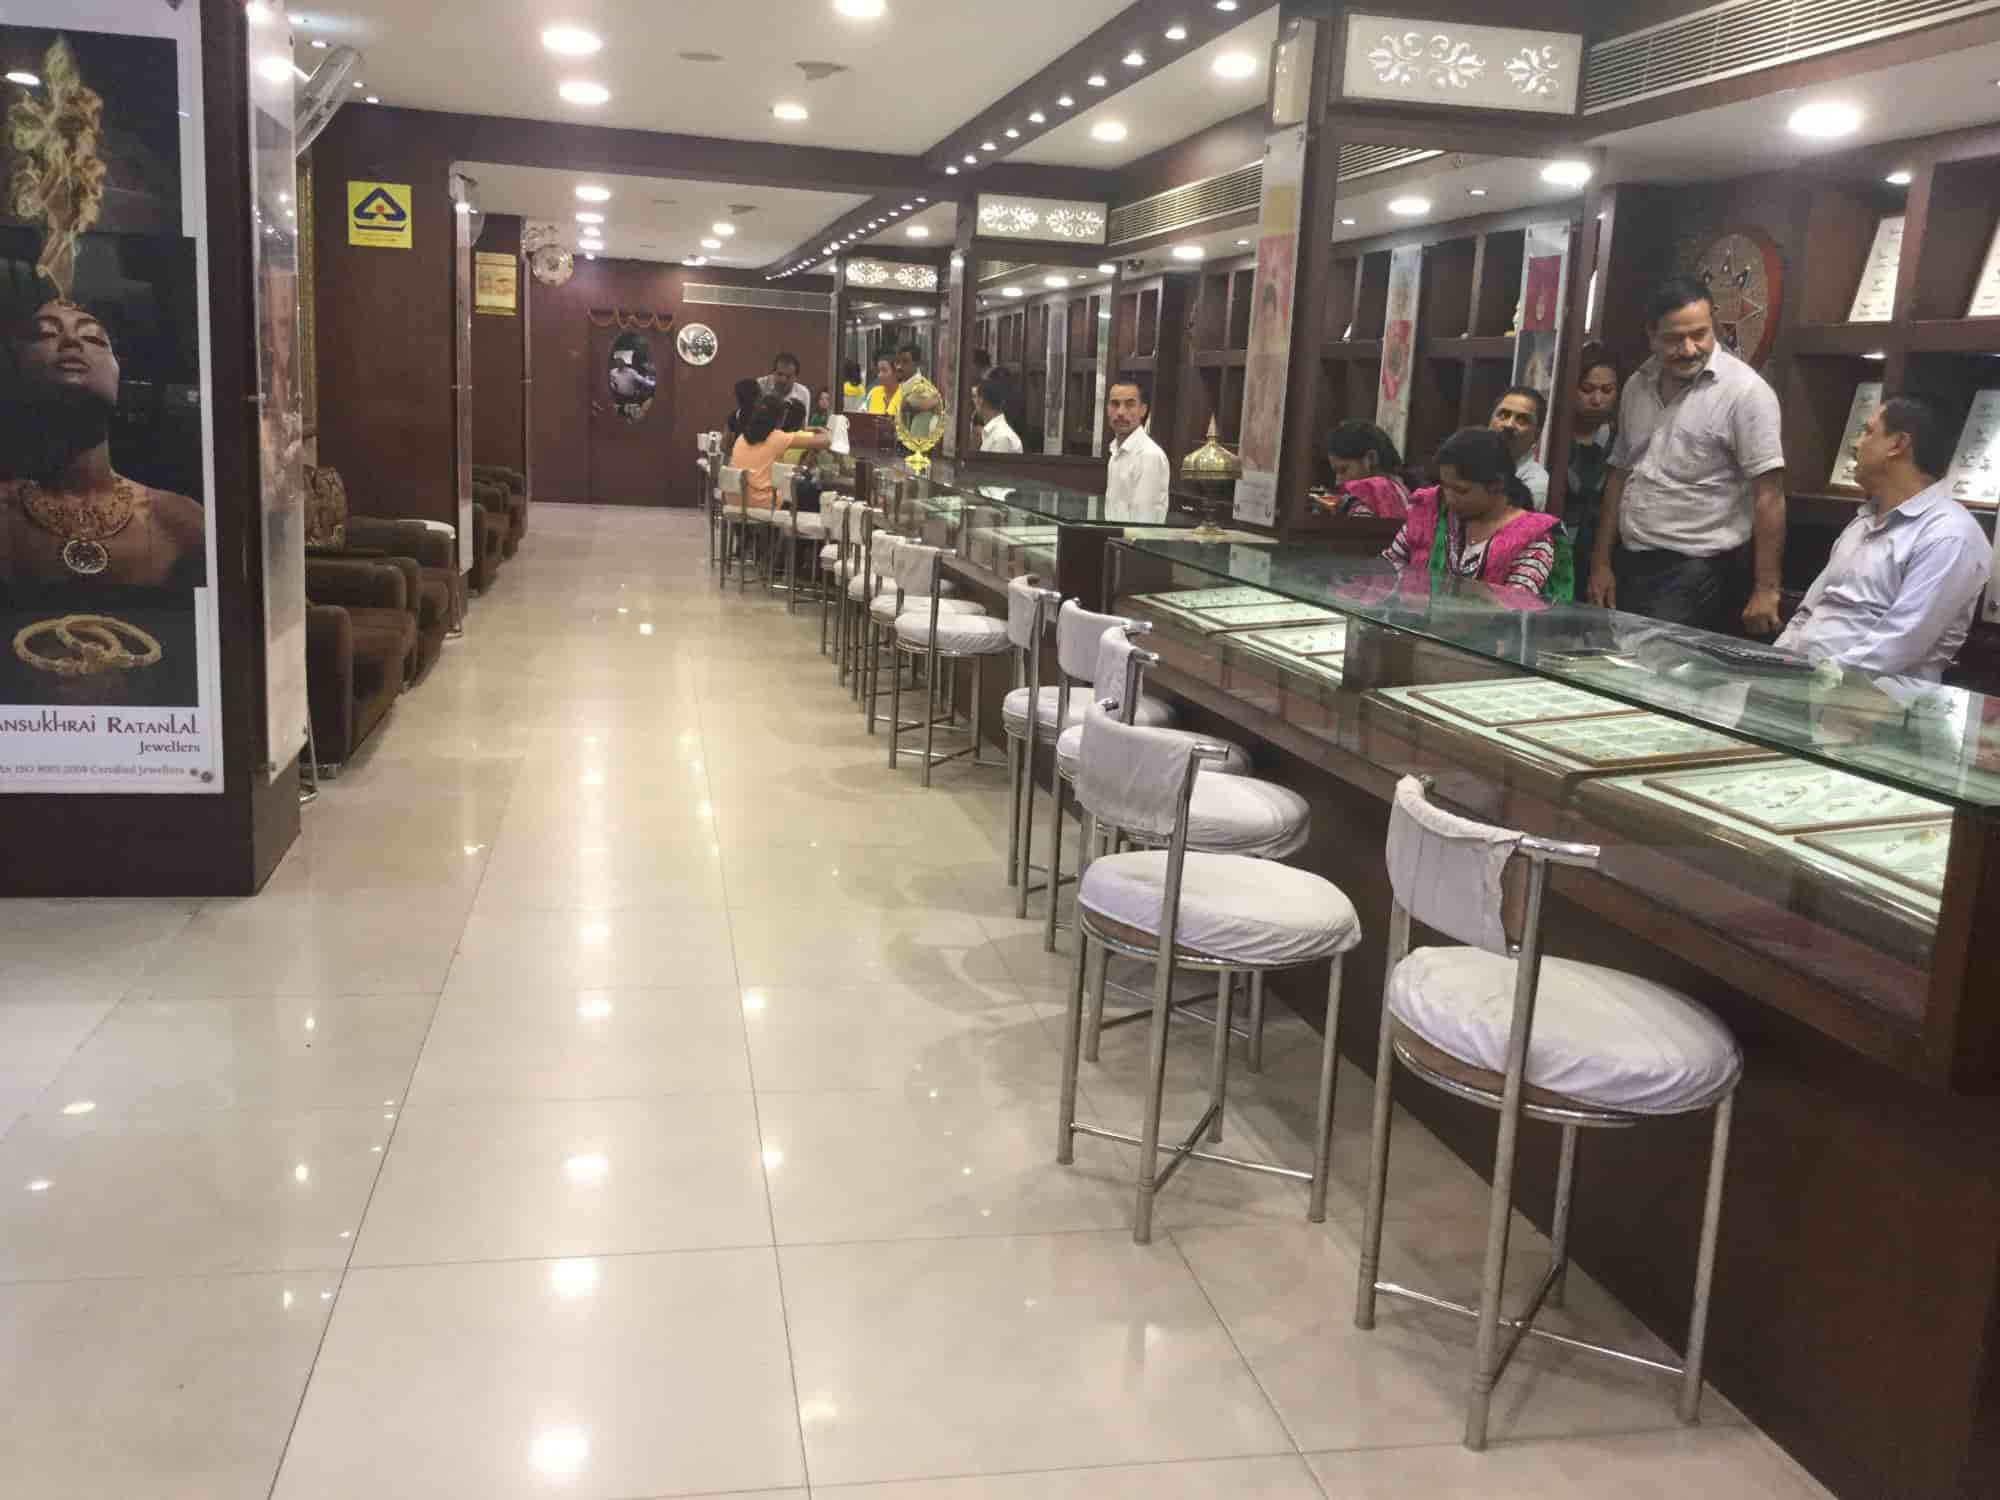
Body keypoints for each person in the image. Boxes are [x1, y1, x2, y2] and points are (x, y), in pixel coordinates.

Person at [1588, 275, 1787, 635]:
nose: (1690, 349)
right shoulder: (1636, 385)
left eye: (1700, 334)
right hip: (1631, 559)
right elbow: (1620, 475)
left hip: (1698, 569)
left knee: (1650, 663)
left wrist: (1766, 588)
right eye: (1674, 339)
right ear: (1651, 335)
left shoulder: (1745, 393)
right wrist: (1601, 563)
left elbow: (1769, 494)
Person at [1774, 394, 1990, 681]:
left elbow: (1898, 644)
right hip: (1802, 682)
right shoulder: (1862, 522)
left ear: (1898, 444)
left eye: (1868, 431)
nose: (1856, 444)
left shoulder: (1949, 534)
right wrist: (1772, 665)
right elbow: (1807, 613)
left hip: (1872, 698)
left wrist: (1810, 680)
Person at [0, 298, 205, 590]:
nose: (71, 341)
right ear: (15, 367)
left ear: (118, 372)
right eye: (45, 334)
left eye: (93, 338)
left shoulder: (180, 522)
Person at [1382, 427, 1572, 601]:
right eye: (1445, 486)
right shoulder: (1429, 512)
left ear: (1497, 485)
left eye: (1461, 490)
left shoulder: (1533, 537)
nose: (1449, 498)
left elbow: (1513, 608)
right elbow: (1387, 571)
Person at [1566, 342, 1622, 570]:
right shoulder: (1552, 437)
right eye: (1587, 389)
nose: (1597, 400)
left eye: (1607, 390)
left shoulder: (1620, 440)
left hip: (1598, 557)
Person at [729, 392, 830, 512]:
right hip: (764, 503)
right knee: (813, 492)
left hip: (736, 502)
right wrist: (822, 429)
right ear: (779, 419)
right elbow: (826, 442)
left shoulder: (741, 438)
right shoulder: (777, 438)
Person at [1104, 378, 1170, 524]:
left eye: (1129, 405)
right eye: (1115, 404)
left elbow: (1143, 524)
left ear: (1143, 410)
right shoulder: (1115, 452)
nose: (1120, 412)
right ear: (1108, 409)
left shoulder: (1149, 455)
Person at [1313, 420, 1410, 520]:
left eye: (1343, 470)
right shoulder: (1401, 490)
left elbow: (1360, 519)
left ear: (1371, 458)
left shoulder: (1379, 486)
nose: (1338, 482)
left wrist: (1329, 501)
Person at [1489, 385, 1550, 510]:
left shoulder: (1536, 484)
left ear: (1536, 435)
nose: (1509, 425)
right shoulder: (1469, 462)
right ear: (1490, 421)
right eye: (1503, 415)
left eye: (1522, 420)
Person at [975, 375, 1022, 454]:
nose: (973, 401)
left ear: (981, 400)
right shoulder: (994, 434)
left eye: (975, 397)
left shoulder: (1001, 437)